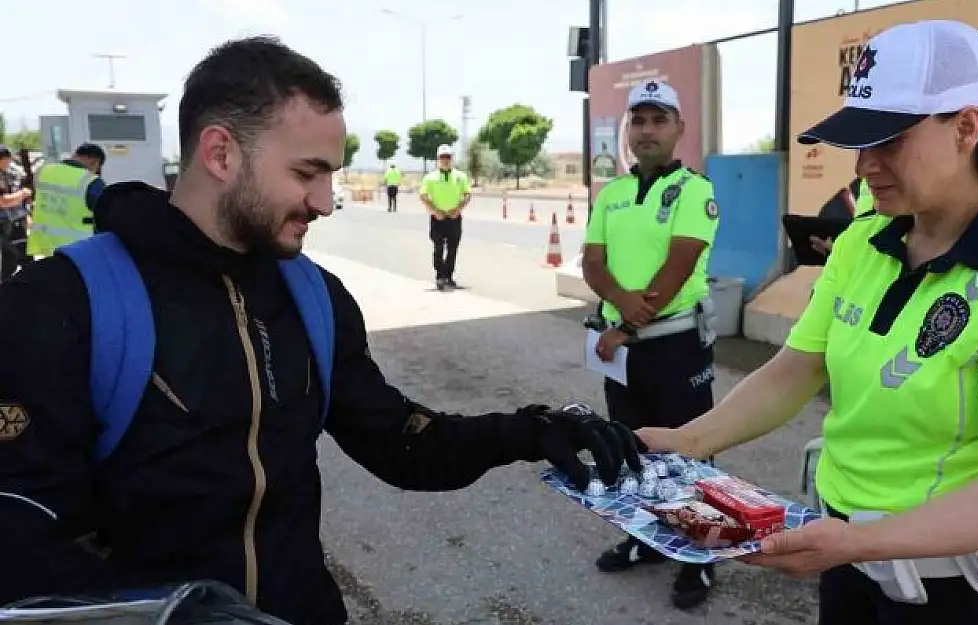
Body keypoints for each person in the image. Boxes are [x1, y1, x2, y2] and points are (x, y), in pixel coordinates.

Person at [0, 36, 642, 625]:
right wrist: (159, 614)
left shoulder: (311, 295)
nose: (326, 201)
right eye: (306, 173)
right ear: (220, 153)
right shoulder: (62, 303)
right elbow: (20, 531)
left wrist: (533, 430)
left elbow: (402, 443)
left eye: (331, 174)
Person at [636, 17, 978, 625]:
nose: (863, 166)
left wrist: (860, 542)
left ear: (966, 126)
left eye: (889, 141)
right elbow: (797, 368)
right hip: (852, 564)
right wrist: (688, 441)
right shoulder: (867, 239)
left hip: (962, 592)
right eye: (859, 140)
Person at [581, 79, 721, 610]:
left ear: (679, 128)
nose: (646, 130)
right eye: (637, 120)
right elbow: (593, 262)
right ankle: (647, 538)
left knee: (688, 449)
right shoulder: (612, 194)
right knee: (632, 444)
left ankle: (698, 556)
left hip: (675, 344)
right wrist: (618, 308)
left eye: (658, 119)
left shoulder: (695, 190)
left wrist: (626, 324)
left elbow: (679, 263)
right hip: (623, 346)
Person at [25, 143, 107, 259]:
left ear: (75, 155)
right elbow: (105, 215)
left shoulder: (43, 171)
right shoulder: (91, 182)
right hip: (77, 247)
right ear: (95, 162)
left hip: (45, 245)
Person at [419, 144, 470, 291]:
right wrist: (435, 211)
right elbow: (423, 195)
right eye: (442, 157)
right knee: (439, 247)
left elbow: (467, 194)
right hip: (438, 218)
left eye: (448, 157)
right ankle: (440, 276)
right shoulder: (430, 178)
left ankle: (448, 276)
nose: (445, 160)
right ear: (438, 159)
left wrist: (458, 209)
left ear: (452, 158)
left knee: (453, 249)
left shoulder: (460, 177)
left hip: (454, 217)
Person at [0, 145, 33, 281]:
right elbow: (3, 201)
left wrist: (26, 215)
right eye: (6, 159)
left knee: (18, 262)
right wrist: (23, 194)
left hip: (13, 224)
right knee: (14, 262)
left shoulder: (6, 174)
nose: (9, 162)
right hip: (5, 227)